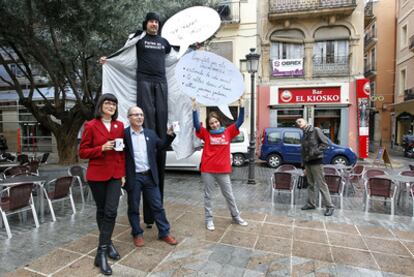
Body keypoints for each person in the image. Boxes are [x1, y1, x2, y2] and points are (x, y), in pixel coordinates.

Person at [100, 12, 171, 229]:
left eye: (157, 22)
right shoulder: (139, 39)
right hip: (144, 81)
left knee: (159, 124)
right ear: (146, 23)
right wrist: (108, 60)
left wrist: (193, 50)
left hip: (161, 82)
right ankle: (142, 221)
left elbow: (175, 57)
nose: (154, 24)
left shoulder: (165, 43)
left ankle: (154, 215)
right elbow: (124, 54)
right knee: (145, 117)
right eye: (151, 21)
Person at [79, 93, 125, 275]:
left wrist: (122, 174)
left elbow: (121, 152)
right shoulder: (90, 125)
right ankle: (109, 243)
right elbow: (82, 152)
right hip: (97, 175)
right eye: (108, 103)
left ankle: (102, 253)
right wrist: (101, 148)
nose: (111, 106)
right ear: (101, 106)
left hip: (114, 175)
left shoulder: (119, 125)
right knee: (101, 210)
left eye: (114, 104)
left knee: (111, 211)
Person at [123, 106, 177, 247]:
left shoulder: (150, 134)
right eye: (136, 115)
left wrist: (169, 135)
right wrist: (121, 175)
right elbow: (119, 157)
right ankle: (137, 233)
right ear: (129, 118)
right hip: (133, 177)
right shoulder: (124, 135)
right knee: (133, 207)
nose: (140, 117)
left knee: (157, 206)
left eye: (141, 114)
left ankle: (164, 233)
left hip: (149, 176)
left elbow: (161, 146)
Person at [192, 98, 248, 231]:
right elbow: (196, 125)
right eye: (211, 123)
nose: (214, 125)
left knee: (229, 195)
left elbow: (239, 122)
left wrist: (242, 107)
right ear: (209, 124)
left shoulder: (227, 131)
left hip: (223, 170)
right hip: (208, 169)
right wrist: (195, 109)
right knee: (208, 195)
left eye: (216, 122)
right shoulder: (205, 133)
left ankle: (236, 216)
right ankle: (209, 219)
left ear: (219, 121)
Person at [296, 118, 335, 216]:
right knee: (310, 184)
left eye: (300, 121)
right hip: (308, 163)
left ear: (306, 122)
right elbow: (303, 151)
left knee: (321, 184)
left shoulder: (315, 130)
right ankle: (311, 204)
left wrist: (315, 152)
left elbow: (325, 143)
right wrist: (303, 165)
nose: (298, 123)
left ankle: (330, 206)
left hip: (317, 162)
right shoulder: (304, 135)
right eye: (297, 123)